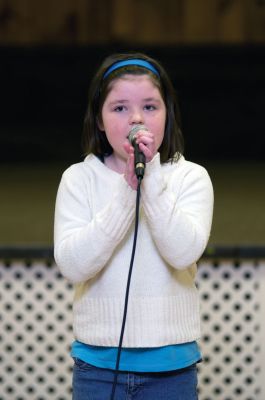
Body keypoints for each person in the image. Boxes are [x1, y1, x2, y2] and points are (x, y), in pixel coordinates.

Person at [54, 52, 214, 400]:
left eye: (150, 107)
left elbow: (182, 251)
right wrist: (127, 192)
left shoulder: (191, 177)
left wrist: (150, 179)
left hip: (172, 367)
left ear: (167, 114)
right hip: (97, 366)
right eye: (120, 108)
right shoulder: (78, 179)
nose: (137, 118)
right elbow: (73, 265)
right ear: (99, 118)